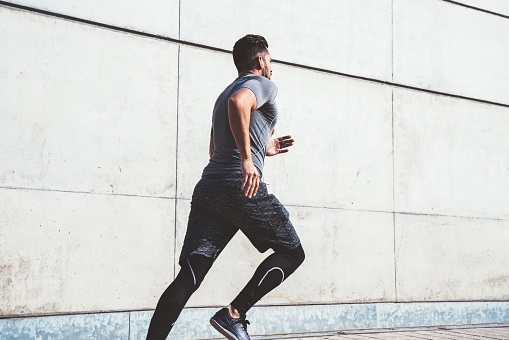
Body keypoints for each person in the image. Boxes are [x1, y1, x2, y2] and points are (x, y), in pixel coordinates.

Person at [146, 34, 305, 340]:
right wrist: (248, 159)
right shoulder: (262, 85)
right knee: (292, 252)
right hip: (241, 186)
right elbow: (240, 103)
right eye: (269, 60)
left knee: (190, 275)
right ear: (260, 60)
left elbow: (215, 147)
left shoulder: (222, 95)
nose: (271, 66)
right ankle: (234, 314)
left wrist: (261, 147)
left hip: (210, 187)